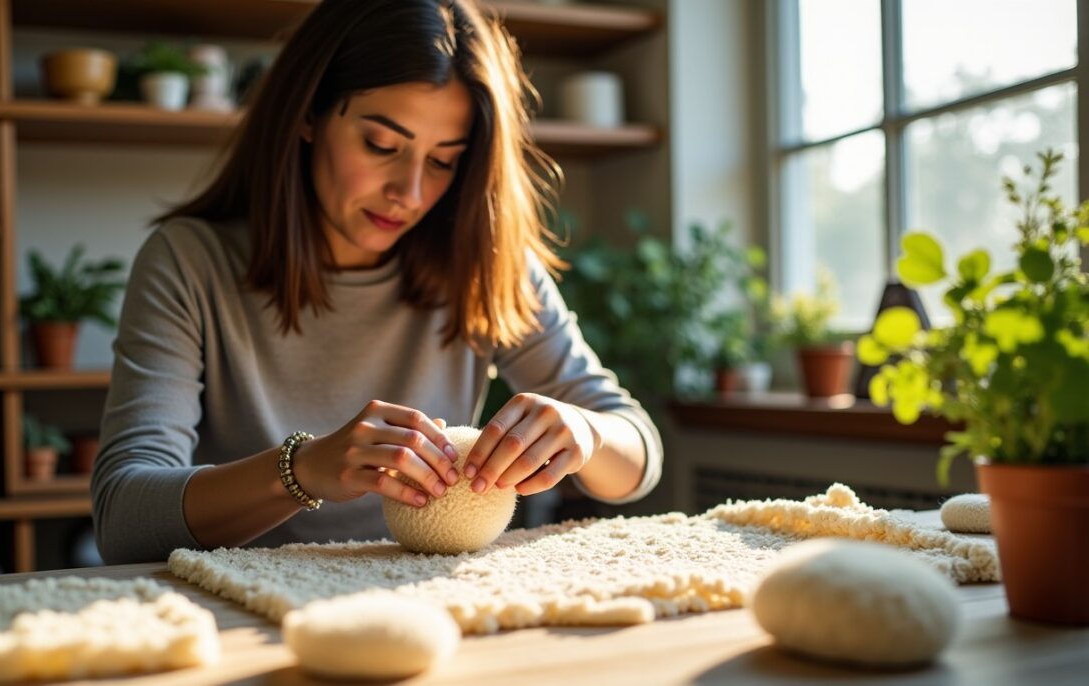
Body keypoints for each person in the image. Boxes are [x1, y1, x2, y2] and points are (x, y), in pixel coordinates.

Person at [91, 0, 663, 565]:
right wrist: (303, 469)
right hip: (242, 607)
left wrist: (585, 432)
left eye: (443, 161)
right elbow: (122, 519)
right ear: (308, 114)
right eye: (381, 145)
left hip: (426, 598)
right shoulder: (189, 262)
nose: (410, 194)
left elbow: (638, 457)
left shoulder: (485, 262)